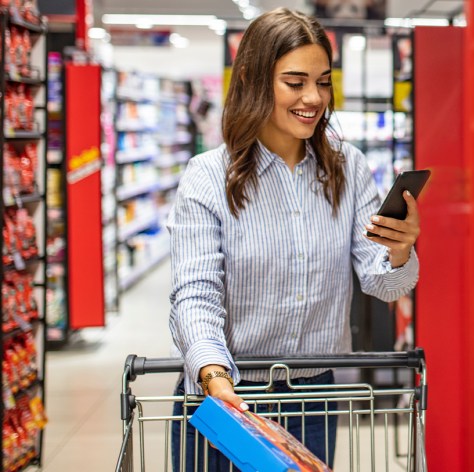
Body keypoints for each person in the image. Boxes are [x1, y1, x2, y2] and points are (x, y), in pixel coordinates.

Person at [167, 8, 420, 470]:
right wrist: (213, 374)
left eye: (323, 81)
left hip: (313, 398)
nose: (314, 97)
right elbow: (195, 292)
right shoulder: (207, 176)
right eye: (295, 81)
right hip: (226, 395)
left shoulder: (348, 167)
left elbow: (381, 284)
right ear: (252, 79)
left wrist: (399, 251)